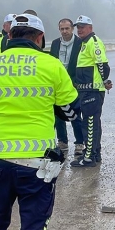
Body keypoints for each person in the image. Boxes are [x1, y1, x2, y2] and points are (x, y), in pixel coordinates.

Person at [0, 14, 79, 230]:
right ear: (40, 38)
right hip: (37, 163)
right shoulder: (51, 65)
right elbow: (71, 112)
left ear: (9, 36)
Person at [69, 15, 112, 167]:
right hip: (86, 90)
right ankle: (96, 153)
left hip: (92, 91)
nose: (79, 30)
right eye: (78, 27)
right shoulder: (84, 43)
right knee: (93, 123)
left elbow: (102, 65)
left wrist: (105, 81)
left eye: (82, 27)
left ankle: (88, 157)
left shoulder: (94, 42)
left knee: (90, 124)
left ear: (90, 28)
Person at [50, 18, 84, 157]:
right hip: (57, 85)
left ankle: (79, 143)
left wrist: (75, 81)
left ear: (72, 29)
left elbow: (82, 63)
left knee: (75, 115)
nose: (64, 31)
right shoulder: (55, 43)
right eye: (62, 29)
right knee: (58, 114)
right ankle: (62, 141)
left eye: (67, 28)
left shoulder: (80, 43)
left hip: (73, 85)